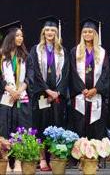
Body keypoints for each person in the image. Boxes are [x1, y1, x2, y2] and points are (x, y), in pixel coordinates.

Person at [30, 16, 69, 171]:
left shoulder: (63, 51)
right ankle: (41, 159)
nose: (50, 32)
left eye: (53, 30)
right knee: (40, 126)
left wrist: (57, 92)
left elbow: (66, 73)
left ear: (57, 33)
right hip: (42, 95)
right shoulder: (36, 50)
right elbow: (36, 72)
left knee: (57, 125)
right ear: (43, 32)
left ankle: (54, 157)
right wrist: (47, 90)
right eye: (47, 30)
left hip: (57, 97)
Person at [68, 18, 110, 140]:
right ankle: (79, 155)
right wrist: (82, 89)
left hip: (96, 96)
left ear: (95, 34)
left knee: (96, 125)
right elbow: (72, 73)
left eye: (90, 32)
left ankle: (95, 156)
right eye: (85, 32)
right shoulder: (75, 51)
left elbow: (105, 73)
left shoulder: (102, 52)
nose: (87, 34)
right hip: (80, 96)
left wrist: (96, 89)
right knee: (79, 125)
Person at [0, 21, 33, 172]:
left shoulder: (26, 56)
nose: (20, 38)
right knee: (5, 128)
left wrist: (19, 91)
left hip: (21, 98)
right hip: (6, 98)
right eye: (17, 35)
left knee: (22, 128)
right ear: (11, 37)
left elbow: (30, 77)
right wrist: (9, 89)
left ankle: (18, 161)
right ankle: (6, 160)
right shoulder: (2, 57)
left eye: (22, 36)